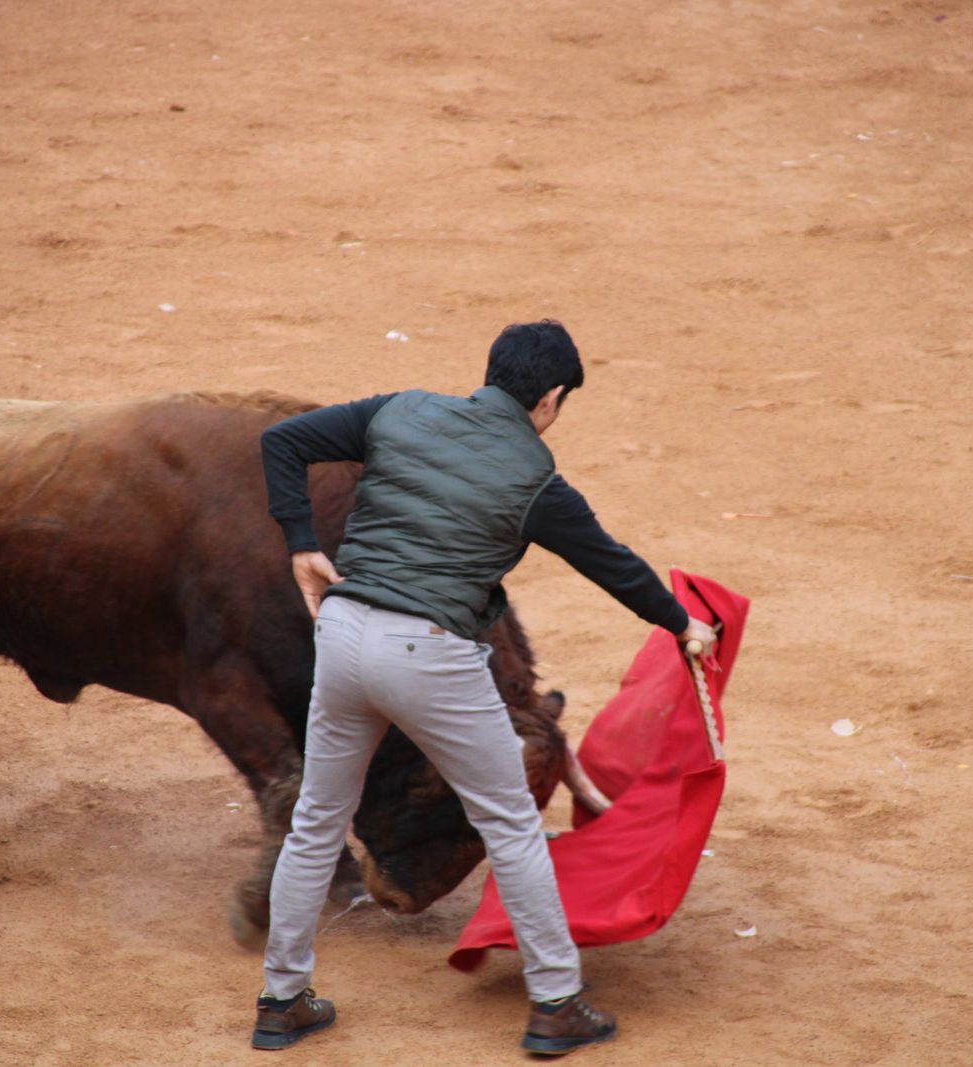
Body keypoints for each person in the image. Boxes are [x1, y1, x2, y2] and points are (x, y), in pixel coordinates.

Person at [251, 320, 717, 1054]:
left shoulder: (399, 409)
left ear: (493, 371)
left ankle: (282, 1000)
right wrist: (682, 622)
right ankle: (556, 1003)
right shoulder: (537, 481)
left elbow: (283, 441)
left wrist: (304, 544)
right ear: (552, 398)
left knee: (316, 820)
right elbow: (612, 564)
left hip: (341, 636)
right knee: (509, 826)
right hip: (431, 653)